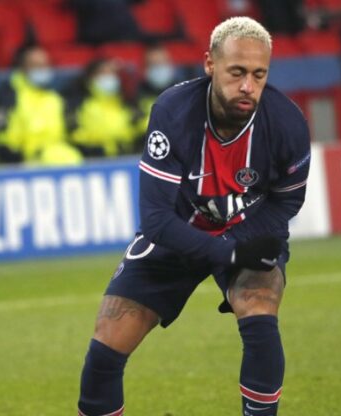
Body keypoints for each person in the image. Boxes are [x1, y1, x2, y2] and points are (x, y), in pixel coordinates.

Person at [77, 17, 311, 416]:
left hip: (246, 232)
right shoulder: (173, 111)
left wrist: (240, 245)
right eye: (237, 72)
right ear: (210, 65)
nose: (248, 86)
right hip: (177, 232)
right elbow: (155, 219)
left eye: (258, 75)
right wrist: (225, 253)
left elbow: (286, 202)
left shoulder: (287, 123)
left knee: (259, 307)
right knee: (108, 341)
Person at [0, 47, 82, 166]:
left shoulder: (55, 98)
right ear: (22, 68)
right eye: (35, 65)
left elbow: (72, 131)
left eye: (45, 65)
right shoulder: (8, 95)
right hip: (19, 162)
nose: (42, 69)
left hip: (56, 157)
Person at [65, 58, 140, 158]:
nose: (108, 77)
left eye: (112, 73)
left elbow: (140, 127)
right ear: (91, 77)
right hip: (92, 157)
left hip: (128, 155)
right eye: (103, 73)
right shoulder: (79, 103)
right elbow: (74, 133)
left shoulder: (127, 102)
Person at [135, 44, 178, 135]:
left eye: (162, 63)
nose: (158, 68)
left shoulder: (184, 94)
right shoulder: (136, 98)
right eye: (153, 64)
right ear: (144, 68)